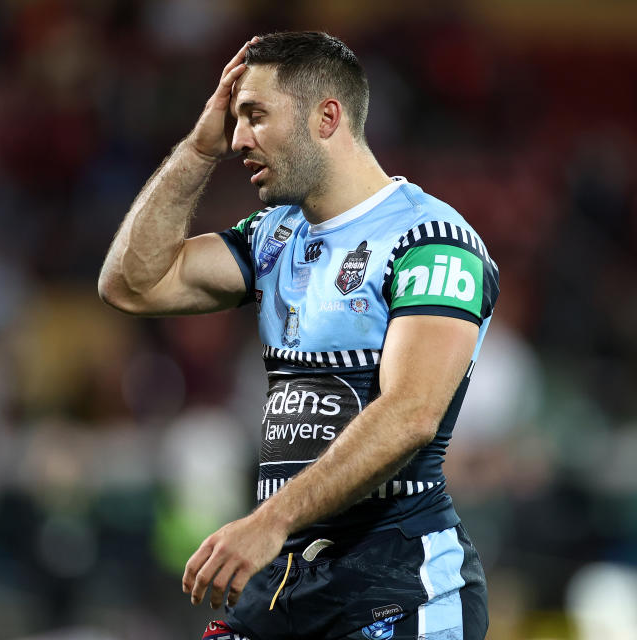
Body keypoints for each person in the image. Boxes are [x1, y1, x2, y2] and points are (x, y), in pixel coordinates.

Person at [99, 31, 499, 640]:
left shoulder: (433, 241)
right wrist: (198, 149)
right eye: (234, 121)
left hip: (400, 584)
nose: (238, 140)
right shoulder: (273, 235)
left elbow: (413, 412)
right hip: (287, 583)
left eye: (255, 116)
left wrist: (270, 520)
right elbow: (131, 284)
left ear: (326, 117)